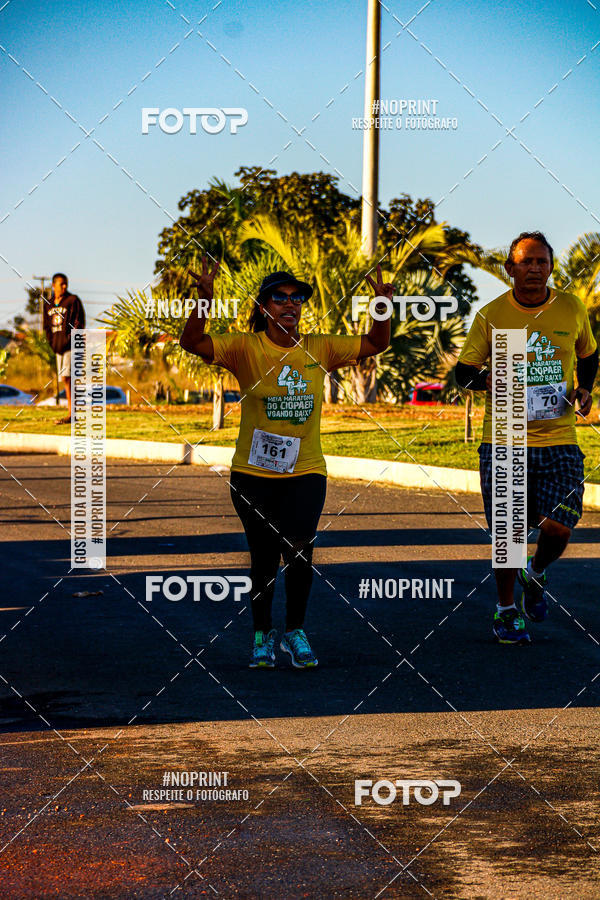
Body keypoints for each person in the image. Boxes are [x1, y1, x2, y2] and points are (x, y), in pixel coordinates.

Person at [180, 258, 391, 668]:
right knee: (262, 555)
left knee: (298, 550)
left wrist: (381, 307)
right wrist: (203, 302)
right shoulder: (245, 347)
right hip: (253, 473)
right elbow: (193, 343)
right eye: (280, 298)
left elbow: (374, 344)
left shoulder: (319, 347)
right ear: (264, 307)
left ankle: (295, 631)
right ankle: (262, 634)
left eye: (297, 299)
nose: (290, 305)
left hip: (305, 471)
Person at [455, 231, 598, 644]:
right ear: (510, 269)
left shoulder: (571, 308)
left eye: (542, 262)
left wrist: (585, 388)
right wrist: (490, 378)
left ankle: (534, 573)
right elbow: (463, 372)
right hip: (504, 438)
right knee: (509, 535)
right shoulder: (492, 315)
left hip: (559, 437)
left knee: (560, 527)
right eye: (526, 262)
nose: (534, 269)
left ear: (552, 267)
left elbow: (589, 354)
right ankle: (504, 610)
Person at [42, 273, 86, 425]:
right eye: (61, 284)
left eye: (66, 283)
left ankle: (72, 413)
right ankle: (71, 413)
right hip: (57, 347)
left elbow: (79, 322)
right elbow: (46, 326)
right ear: (54, 285)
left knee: (68, 377)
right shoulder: (48, 304)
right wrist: (53, 343)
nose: (64, 286)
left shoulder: (72, 300)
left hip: (71, 345)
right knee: (65, 379)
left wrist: (71, 338)